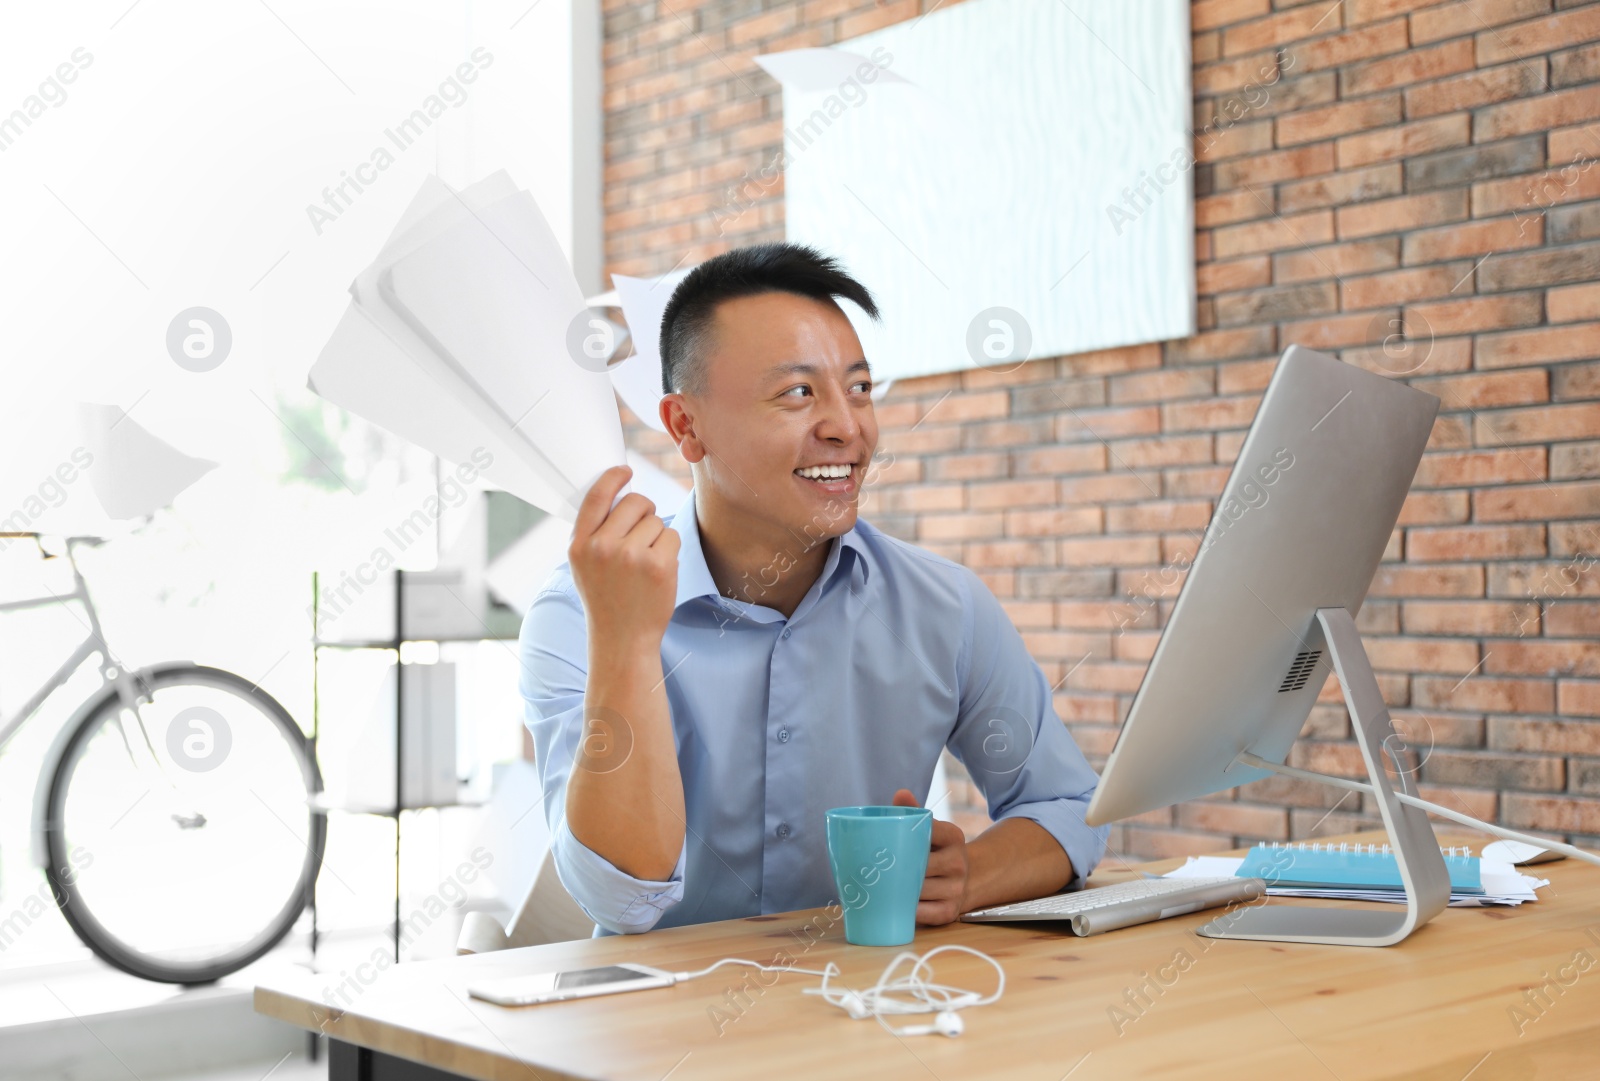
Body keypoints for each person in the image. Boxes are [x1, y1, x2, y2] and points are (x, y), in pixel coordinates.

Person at [519, 242, 1108, 935]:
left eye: (858, 388)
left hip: (869, 1016)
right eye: (799, 393)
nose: (848, 426)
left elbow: (1070, 804)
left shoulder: (944, 606)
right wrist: (627, 640)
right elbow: (620, 899)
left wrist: (972, 875)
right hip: (656, 1029)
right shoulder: (578, 613)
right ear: (687, 425)